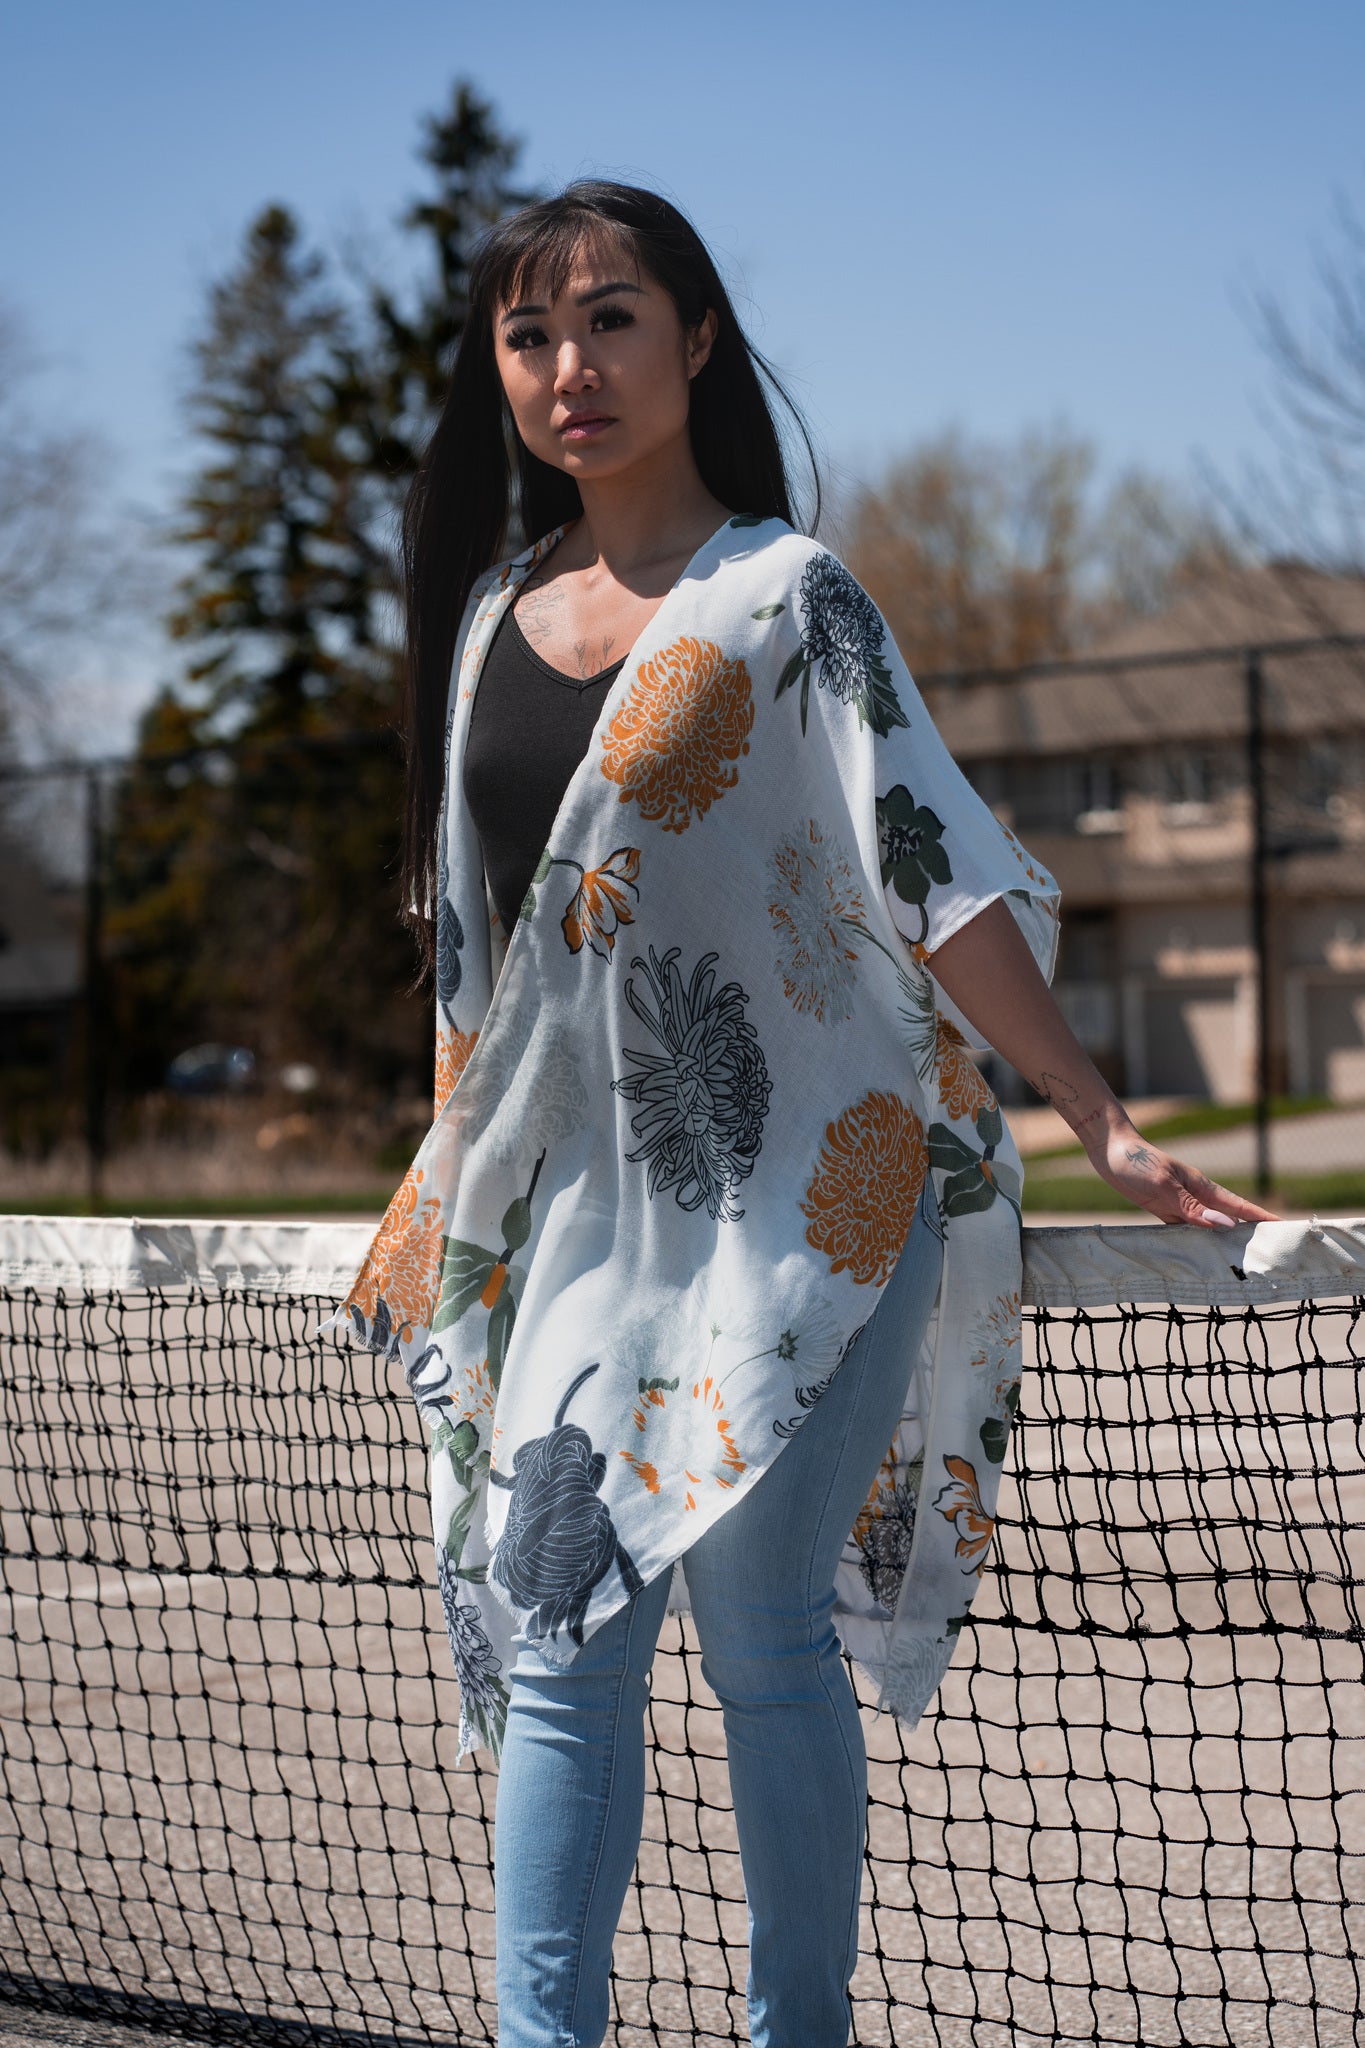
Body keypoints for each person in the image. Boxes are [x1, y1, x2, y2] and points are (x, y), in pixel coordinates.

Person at [321, 180, 1279, 2048]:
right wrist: (454, 1177)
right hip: (584, 1229)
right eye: (531, 334)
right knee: (561, 1639)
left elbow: (933, 870)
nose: (570, 365)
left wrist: (1092, 1113)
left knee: (763, 1636)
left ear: (693, 341)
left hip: (814, 1194)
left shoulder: (787, 597)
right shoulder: (491, 622)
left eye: (610, 319)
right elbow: (486, 964)